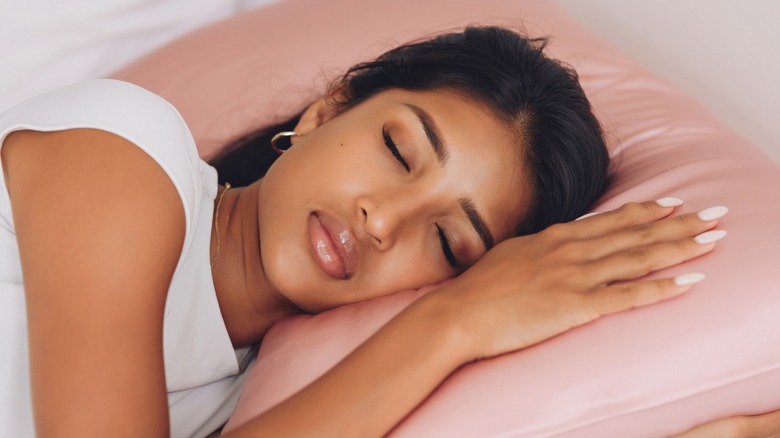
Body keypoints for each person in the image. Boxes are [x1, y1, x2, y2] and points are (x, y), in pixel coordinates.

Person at [0, 26, 774, 437]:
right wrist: (453, 322)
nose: (383, 221)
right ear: (326, 111)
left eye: (448, 245)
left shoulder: (267, 393)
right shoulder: (125, 150)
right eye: (399, 149)